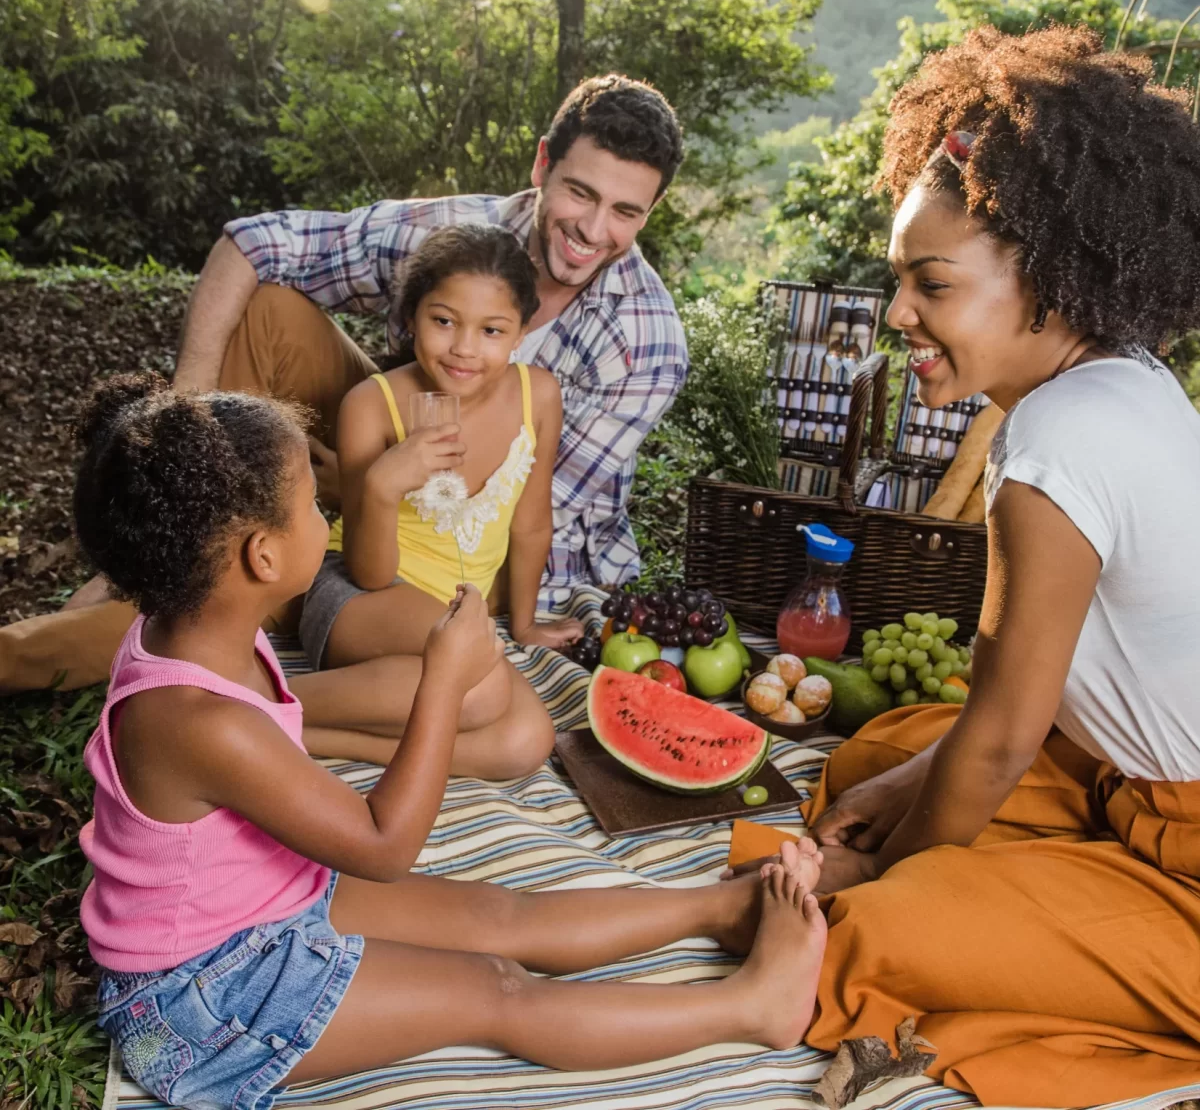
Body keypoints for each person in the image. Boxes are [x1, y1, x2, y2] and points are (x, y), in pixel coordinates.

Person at [74, 373, 826, 1110]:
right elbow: (383, 845)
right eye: (312, 506)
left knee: (501, 916)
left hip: (263, 901)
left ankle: (717, 911)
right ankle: (752, 1009)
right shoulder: (199, 721)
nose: (326, 521)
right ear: (262, 557)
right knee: (497, 991)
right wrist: (442, 678)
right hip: (205, 999)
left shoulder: (197, 627)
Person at [727, 25, 1200, 1106]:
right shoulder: (1128, 381)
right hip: (1122, 779)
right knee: (871, 763)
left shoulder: (1056, 444)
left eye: (929, 285)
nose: (900, 314)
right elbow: (1016, 718)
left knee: (865, 932)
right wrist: (902, 790)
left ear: (1052, 274)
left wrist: (887, 864)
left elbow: (994, 743)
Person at [0, 73, 687, 696]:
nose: (593, 230)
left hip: (469, 552)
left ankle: (170, 597)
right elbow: (255, 243)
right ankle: (202, 522)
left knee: (240, 582)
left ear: (650, 212)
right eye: (579, 191)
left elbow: (517, 515)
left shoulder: (645, 345)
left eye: (627, 212)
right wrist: (181, 412)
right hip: (382, 452)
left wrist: (351, 489)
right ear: (543, 164)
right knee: (268, 310)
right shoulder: (451, 234)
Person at [295, 224, 577, 770]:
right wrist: (383, 483)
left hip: (456, 614)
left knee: (526, 741)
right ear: (411, 316)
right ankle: (252, 703)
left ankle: (301, 732)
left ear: (521, 332)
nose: (465, 348)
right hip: (360, 592)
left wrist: (522, 625)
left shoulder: (537, 394)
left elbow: (531, 523)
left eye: (492, 330)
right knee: (481, 688)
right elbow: (369, 572)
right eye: (443, 321)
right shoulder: (372, 405)